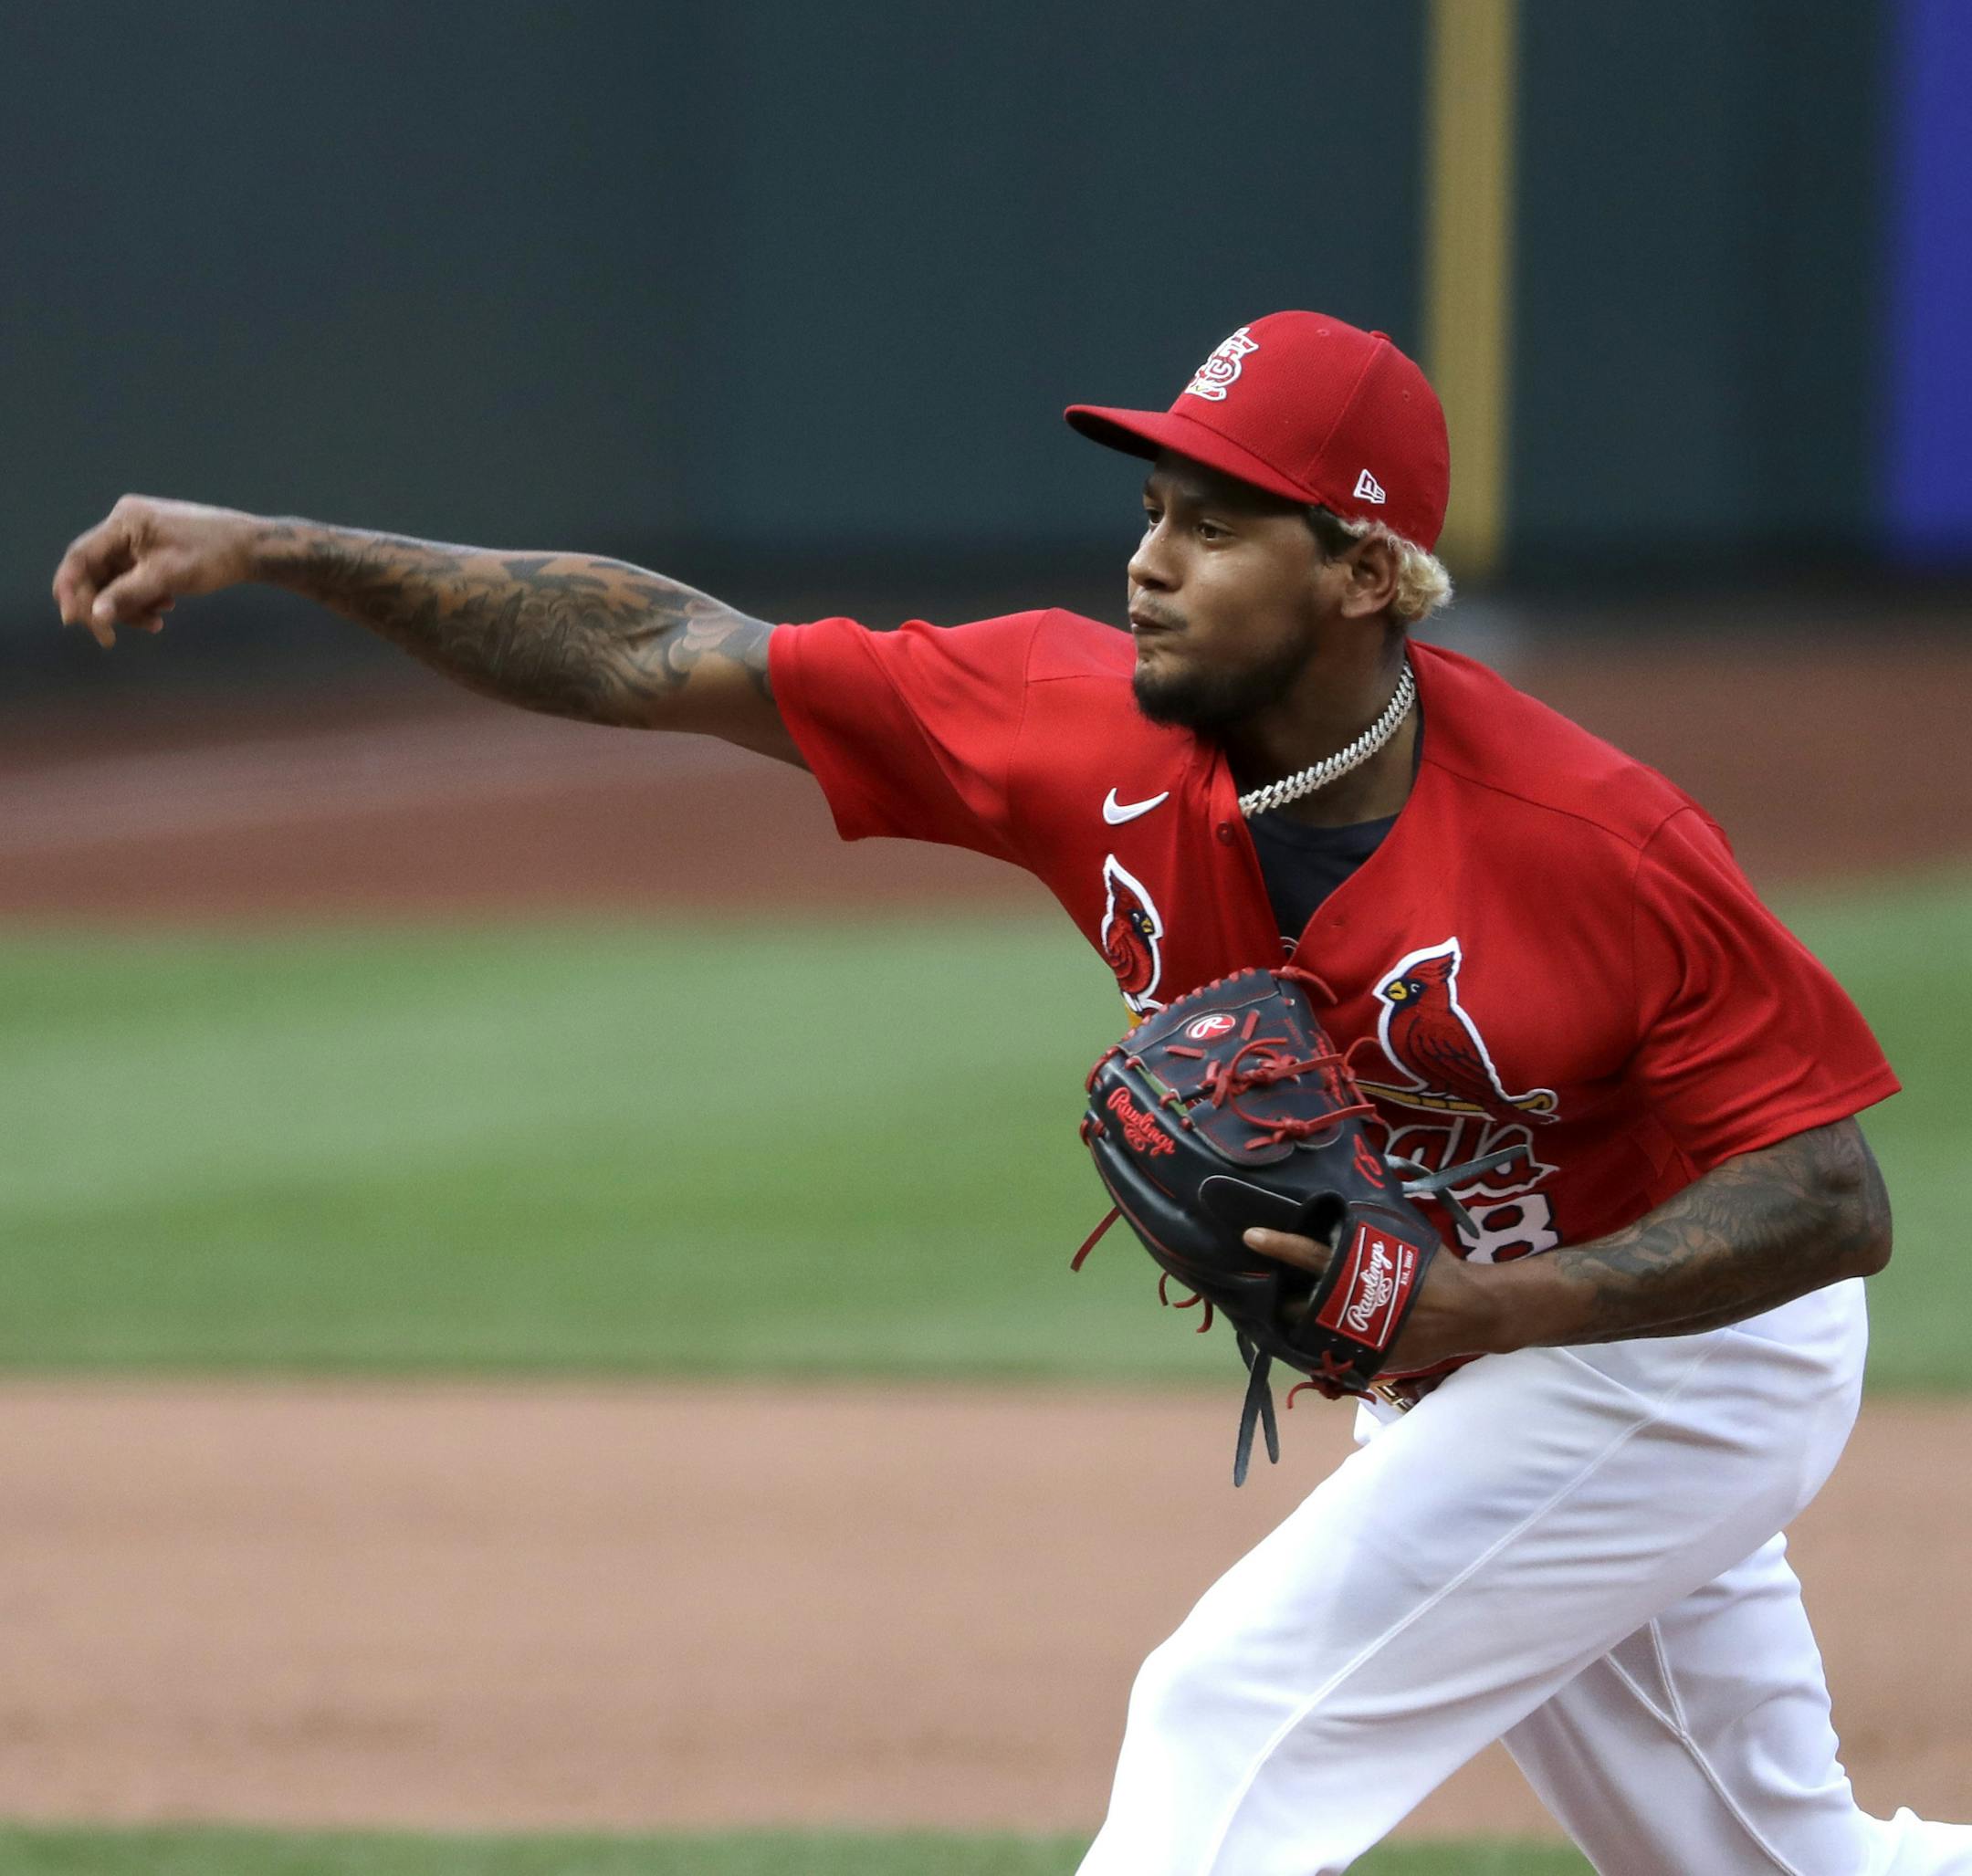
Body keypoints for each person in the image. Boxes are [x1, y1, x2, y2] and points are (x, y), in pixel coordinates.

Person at [53, 312, 1971, 1875]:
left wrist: (1498, 1307)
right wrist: (290, 548)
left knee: (1226, 1710)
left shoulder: (1592, 834)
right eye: (1151, 504)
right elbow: (660, 648)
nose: (1147, 557)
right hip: (1467, 1358)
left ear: (1369, 572)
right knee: (1772, 1867)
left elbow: (1832, 1197)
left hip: (1685, 1351)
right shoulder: (1067, 722)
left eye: (1219, 521)